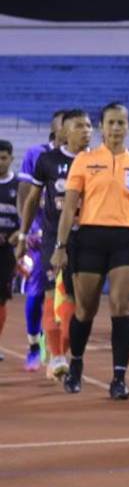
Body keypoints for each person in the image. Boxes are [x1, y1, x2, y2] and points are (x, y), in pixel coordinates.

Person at [51, 102, 129, 399]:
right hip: (90, 238)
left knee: (121, 307)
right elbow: (70, 208)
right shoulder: (84, 161)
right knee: (85, 310)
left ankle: (119, 378)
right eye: (111, 123)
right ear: (101, 127)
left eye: (121, 123)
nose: (116, 128)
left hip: (126, 238)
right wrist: (60, 247)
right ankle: (76, 366)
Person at [16, 109, 93, 380]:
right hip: (53, 239)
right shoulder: (47, 161)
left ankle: (62, 349)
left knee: (81, 304)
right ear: (63, 131)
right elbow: (32, 199)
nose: (85, 131)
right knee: (51, 293)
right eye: (78, 126)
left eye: (88, 125)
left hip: (88, 239)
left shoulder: (97, 161)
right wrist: (24, 235)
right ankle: (56, 354)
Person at [15, 110, 65, 372]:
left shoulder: (83, 157)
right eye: (62, 125)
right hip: (41, 236)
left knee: (69, 295)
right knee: (36, 291)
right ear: (54, 129)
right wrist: (30, 230)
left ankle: (60, 347)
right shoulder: (37, 154)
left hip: (69, 236)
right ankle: (35, 343)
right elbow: (25, 196)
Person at [0, 141, 18, 359]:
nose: (0, 162)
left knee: (1, 298)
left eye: (4, 158)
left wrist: (17, 237)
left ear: (11, 159)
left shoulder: (20, 185)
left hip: (5, 252)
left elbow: (25, 220)